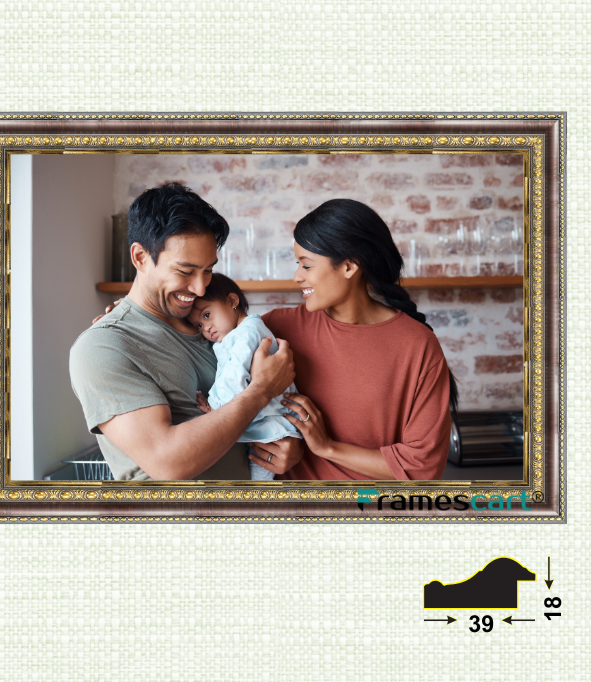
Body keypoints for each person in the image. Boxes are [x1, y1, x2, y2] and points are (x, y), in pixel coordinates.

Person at [68, 183, 300, 481]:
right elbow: (168, 464)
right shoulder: (104, 347)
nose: (201, 287)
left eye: (208, 270)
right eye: (185, 271)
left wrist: (288, 447)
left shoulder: (212, 329)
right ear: (140, 257)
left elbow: (249, 424)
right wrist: (261, 391)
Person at [251, 198, 458, 482]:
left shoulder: (417, 345)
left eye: (307, 265)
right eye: (297, 264)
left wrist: (327, 448)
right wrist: (279, 445)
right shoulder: (273, 329)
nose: (297, 276)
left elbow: (422, 468)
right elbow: (231, 408)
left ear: (349, 267)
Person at [187, 273, 303, 481]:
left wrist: (214, 408)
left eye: (206, 315)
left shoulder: (246, 334)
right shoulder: (238, 333)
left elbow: (234, 375)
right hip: (266, 423)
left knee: (256, 487)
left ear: (232, 301)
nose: (205, 328)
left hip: (271, 427)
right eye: (198, 325)